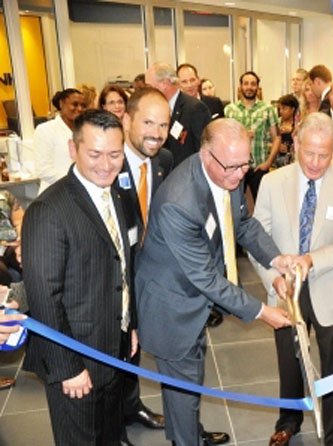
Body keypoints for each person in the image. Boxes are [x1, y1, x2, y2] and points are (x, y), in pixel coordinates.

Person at [134, 118, 293, 446]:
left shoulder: (228, 175)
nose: (239, 175)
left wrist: (276, 259)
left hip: (193, 296)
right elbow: (205, 276)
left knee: (187, 383)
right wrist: (262, 311)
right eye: (232, 167)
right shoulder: (180, 201)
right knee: (184, 386)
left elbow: (244, 225)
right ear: (206, 155)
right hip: (171, 304)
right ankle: (185, 440)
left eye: (245, 165)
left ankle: (189, 433)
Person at [251, 112, 333, 446]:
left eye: (325, 155)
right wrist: (273, 277)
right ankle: (289, 420)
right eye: (309, 152)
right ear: (296, 144)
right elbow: (260, 237)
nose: (316, 162)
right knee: (289, 362)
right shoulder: (273, 182)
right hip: (285, 290)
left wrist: (311, 260)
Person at [22, 109, 135, 445]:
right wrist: (66, 367)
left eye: (115, 154)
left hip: (114, 345)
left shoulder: (118, 193)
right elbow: (44, 297)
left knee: (109, 436)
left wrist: (130, 325)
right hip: (75, 358)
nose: (106, 164)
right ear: (73, 150)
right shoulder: (49, 210)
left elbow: (125, 265)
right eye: (95, 154)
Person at [117, 86, 173, 433]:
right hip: (113, 276)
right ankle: (113, 425)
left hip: (149, 274)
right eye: (148, 122)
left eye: (163, 125)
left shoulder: (163, 161)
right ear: (126, 119)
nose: (156, 133)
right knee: (114, 349)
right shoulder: (107, 160)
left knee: (134, 347)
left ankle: (131, 404)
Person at [224, 71, 281, 200]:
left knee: (264, 205)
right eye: (246, 84)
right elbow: (225, 139)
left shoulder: (268, 109)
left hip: (259, 167)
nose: (249, 87)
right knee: (234, 205)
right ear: (240, 87)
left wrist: (268, 162)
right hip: (236, 167)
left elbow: (277, 137)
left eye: (253, 84)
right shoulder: (229, 110)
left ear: (258, 87)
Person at [145, 62, 211, 166]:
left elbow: (203, 151)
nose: (147, 90)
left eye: (149, 86)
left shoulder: (195, 108)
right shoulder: (158, 109)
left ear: (164, 84)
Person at [32, 88, 85, 194]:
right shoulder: (45, 129)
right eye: (74, 104)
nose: (79, 109)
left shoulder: (84, 130)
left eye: (82, 105)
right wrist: (74, 181)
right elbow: (43, 170)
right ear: (61, 104)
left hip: (79, 192)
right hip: (54, 194)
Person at [276, 94, 299, 168]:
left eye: (284, 108)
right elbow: (267, 141)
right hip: (276, 162)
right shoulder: (277, 123)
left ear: (293, 109)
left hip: (293, 162)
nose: (281, 111)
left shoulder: (298, 125)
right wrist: (277, 146)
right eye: (280, 109)